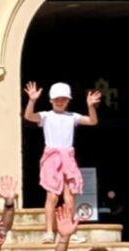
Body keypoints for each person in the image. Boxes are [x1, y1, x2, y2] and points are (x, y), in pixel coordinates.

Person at [24, 80, 101, 220]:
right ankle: (49, 229)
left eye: (63, 99)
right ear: (51, 100)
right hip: (51, 157)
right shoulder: (46, 115)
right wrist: (32, 101)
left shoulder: (72, 116)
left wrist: (91, 106)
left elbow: (92, 121)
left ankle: (68, 227)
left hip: (67, 157)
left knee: (69, 196)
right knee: (52, 196)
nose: (60, 102)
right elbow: (29, 116)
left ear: (68, 101)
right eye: (57, 99)